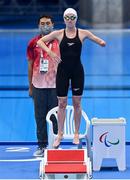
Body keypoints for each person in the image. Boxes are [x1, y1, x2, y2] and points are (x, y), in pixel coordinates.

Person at [37, 8, 106, 148]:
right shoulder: (58, 34)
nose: (69, 20)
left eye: (72, 17)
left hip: (77, 72)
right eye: (67, 17)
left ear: (76, 18)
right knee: (61, 104)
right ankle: (60, 134)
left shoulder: (83, 33)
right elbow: (40, 42)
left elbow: (98, 40)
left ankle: (75, 133)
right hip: (62, 72)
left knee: (77, 103)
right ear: (64, 19)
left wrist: (101, 42)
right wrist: (50, 52)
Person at [27, 15, 60, 156]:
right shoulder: (33, 43)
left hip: (55, 85)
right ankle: (41, 145)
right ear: (38, 25)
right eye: (42, 23)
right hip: (38, 85)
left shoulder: (60, 41)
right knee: (39, 117)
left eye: (48, 23)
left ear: (53, 24)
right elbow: (30, 65)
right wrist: (30, 86)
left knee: (55, 117)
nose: (45, 26)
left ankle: (55, 145)